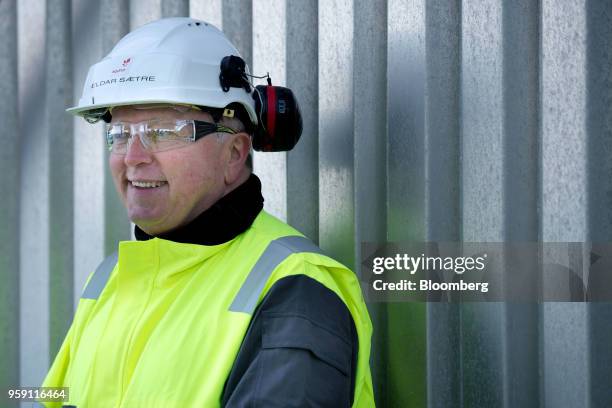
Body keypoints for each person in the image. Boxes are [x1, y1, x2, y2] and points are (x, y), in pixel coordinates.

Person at [41, 17, 374, 407]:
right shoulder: (110, 281)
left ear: (234, 153)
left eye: (163, 131)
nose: (132, 158)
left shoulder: (296, 292)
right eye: (120, 134)